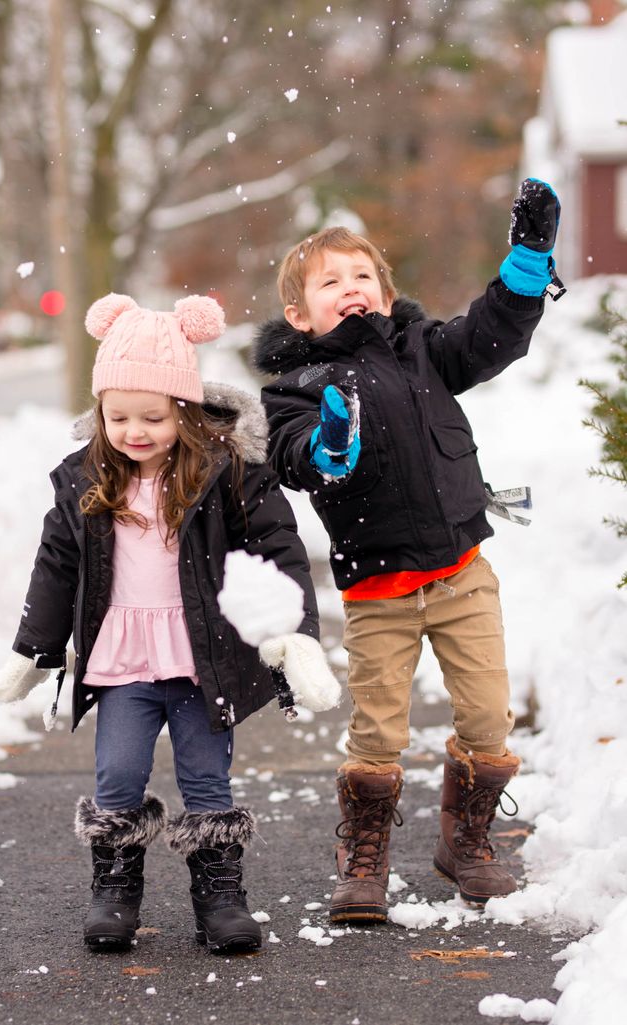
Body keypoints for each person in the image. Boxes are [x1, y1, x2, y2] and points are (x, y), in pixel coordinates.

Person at [251, 179, 563, 923]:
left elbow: (491, 336)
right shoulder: (295, 387)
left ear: (386, 294)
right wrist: (329, 443)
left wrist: (525, 262)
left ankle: (467, 839)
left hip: (461, 571)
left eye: (363, 276)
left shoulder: (426, 351)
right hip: (376, 588)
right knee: (378, 729)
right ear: (298, 312)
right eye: (330, 281)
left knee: (488, 715)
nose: (350, 288)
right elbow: (292, 456)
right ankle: (363, 859)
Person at [0, 293, 340, 954]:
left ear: (183, 409)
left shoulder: (229, 475)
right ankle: (116, 890)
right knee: (117, 775)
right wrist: (32, 647)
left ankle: (220, 896)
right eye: (117, 415)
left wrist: (296, 636)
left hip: (199, 655)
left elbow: (279, 550)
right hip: (120, 659)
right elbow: (55, 565)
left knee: (205, 776)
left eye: (152, 415)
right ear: (98, 413)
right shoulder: (82, 480)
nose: (134, 430)